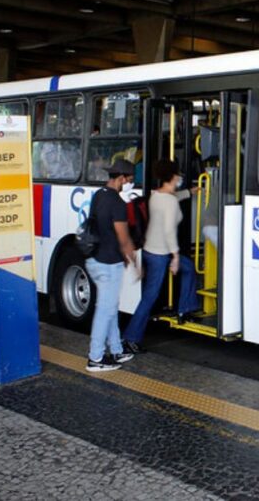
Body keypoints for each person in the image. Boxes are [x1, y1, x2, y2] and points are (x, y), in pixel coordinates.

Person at [122, 160, 199, 353]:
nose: (180, 177)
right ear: (173, 176)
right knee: (150, 296)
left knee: (189, 270)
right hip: (161, 254)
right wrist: (175, 257)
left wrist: (190, 192)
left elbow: (172, 198)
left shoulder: (157, 195)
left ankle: (185, 309)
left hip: (150, 250)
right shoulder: (169, 201)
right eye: (178, 174)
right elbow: (169, 231)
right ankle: (130, 338)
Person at [84, 159, 137, 372]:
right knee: (105, 309)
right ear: (122, 178)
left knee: (110, 306)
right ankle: (95, 357)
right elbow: (123, 238)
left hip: (95, 259)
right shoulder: (117, 203)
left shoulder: (99, 195)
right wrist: (135, 262)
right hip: (108, 262)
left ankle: (116, 349)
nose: (129, 184)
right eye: (130, 180)